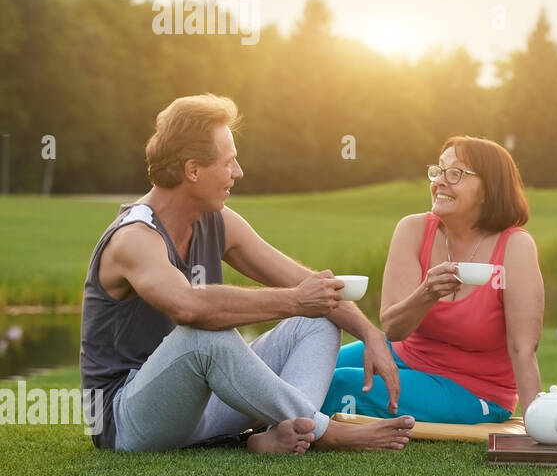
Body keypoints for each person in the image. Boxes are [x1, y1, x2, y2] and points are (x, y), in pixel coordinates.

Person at [80, 95, 414, 454]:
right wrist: (296, 301)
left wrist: (368, 333)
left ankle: (283, 431)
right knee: (204, 337)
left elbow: (302, 281)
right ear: (193, 170)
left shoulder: (218, 223)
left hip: (201, 406)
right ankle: (321, 431)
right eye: (229, 163)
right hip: (127, 419)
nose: (238, 173)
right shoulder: (135, 238)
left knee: (318, 320)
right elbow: (189, 308)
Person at [321, 136, 543, 423]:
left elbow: (523, 348)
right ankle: (249, 426)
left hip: (473, 389)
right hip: (405, 355)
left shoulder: (515, 247)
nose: (440, 181)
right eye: (439, 170)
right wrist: (426, 293)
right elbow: (394, 328)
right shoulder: (413, 229)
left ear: (489, 189)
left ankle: (271, 432)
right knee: (310, 366)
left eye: (456, 173)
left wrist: (538, 423)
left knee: (341, 384)